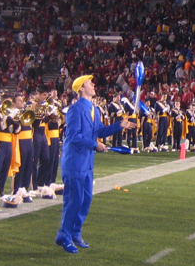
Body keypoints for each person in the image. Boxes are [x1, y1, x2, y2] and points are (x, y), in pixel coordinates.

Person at [55, 75, 135, 254]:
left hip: (86, 162)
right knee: (74, 199)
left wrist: (119, 125)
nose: (93, 84)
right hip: (74, 161)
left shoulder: (95, 109)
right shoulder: (75, 110)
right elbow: (73, 136)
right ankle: (64, 234)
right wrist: (94, 144)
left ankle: (75, 232)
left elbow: (99, 130)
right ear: (81, 89)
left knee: (86, 199)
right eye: (89, 83)